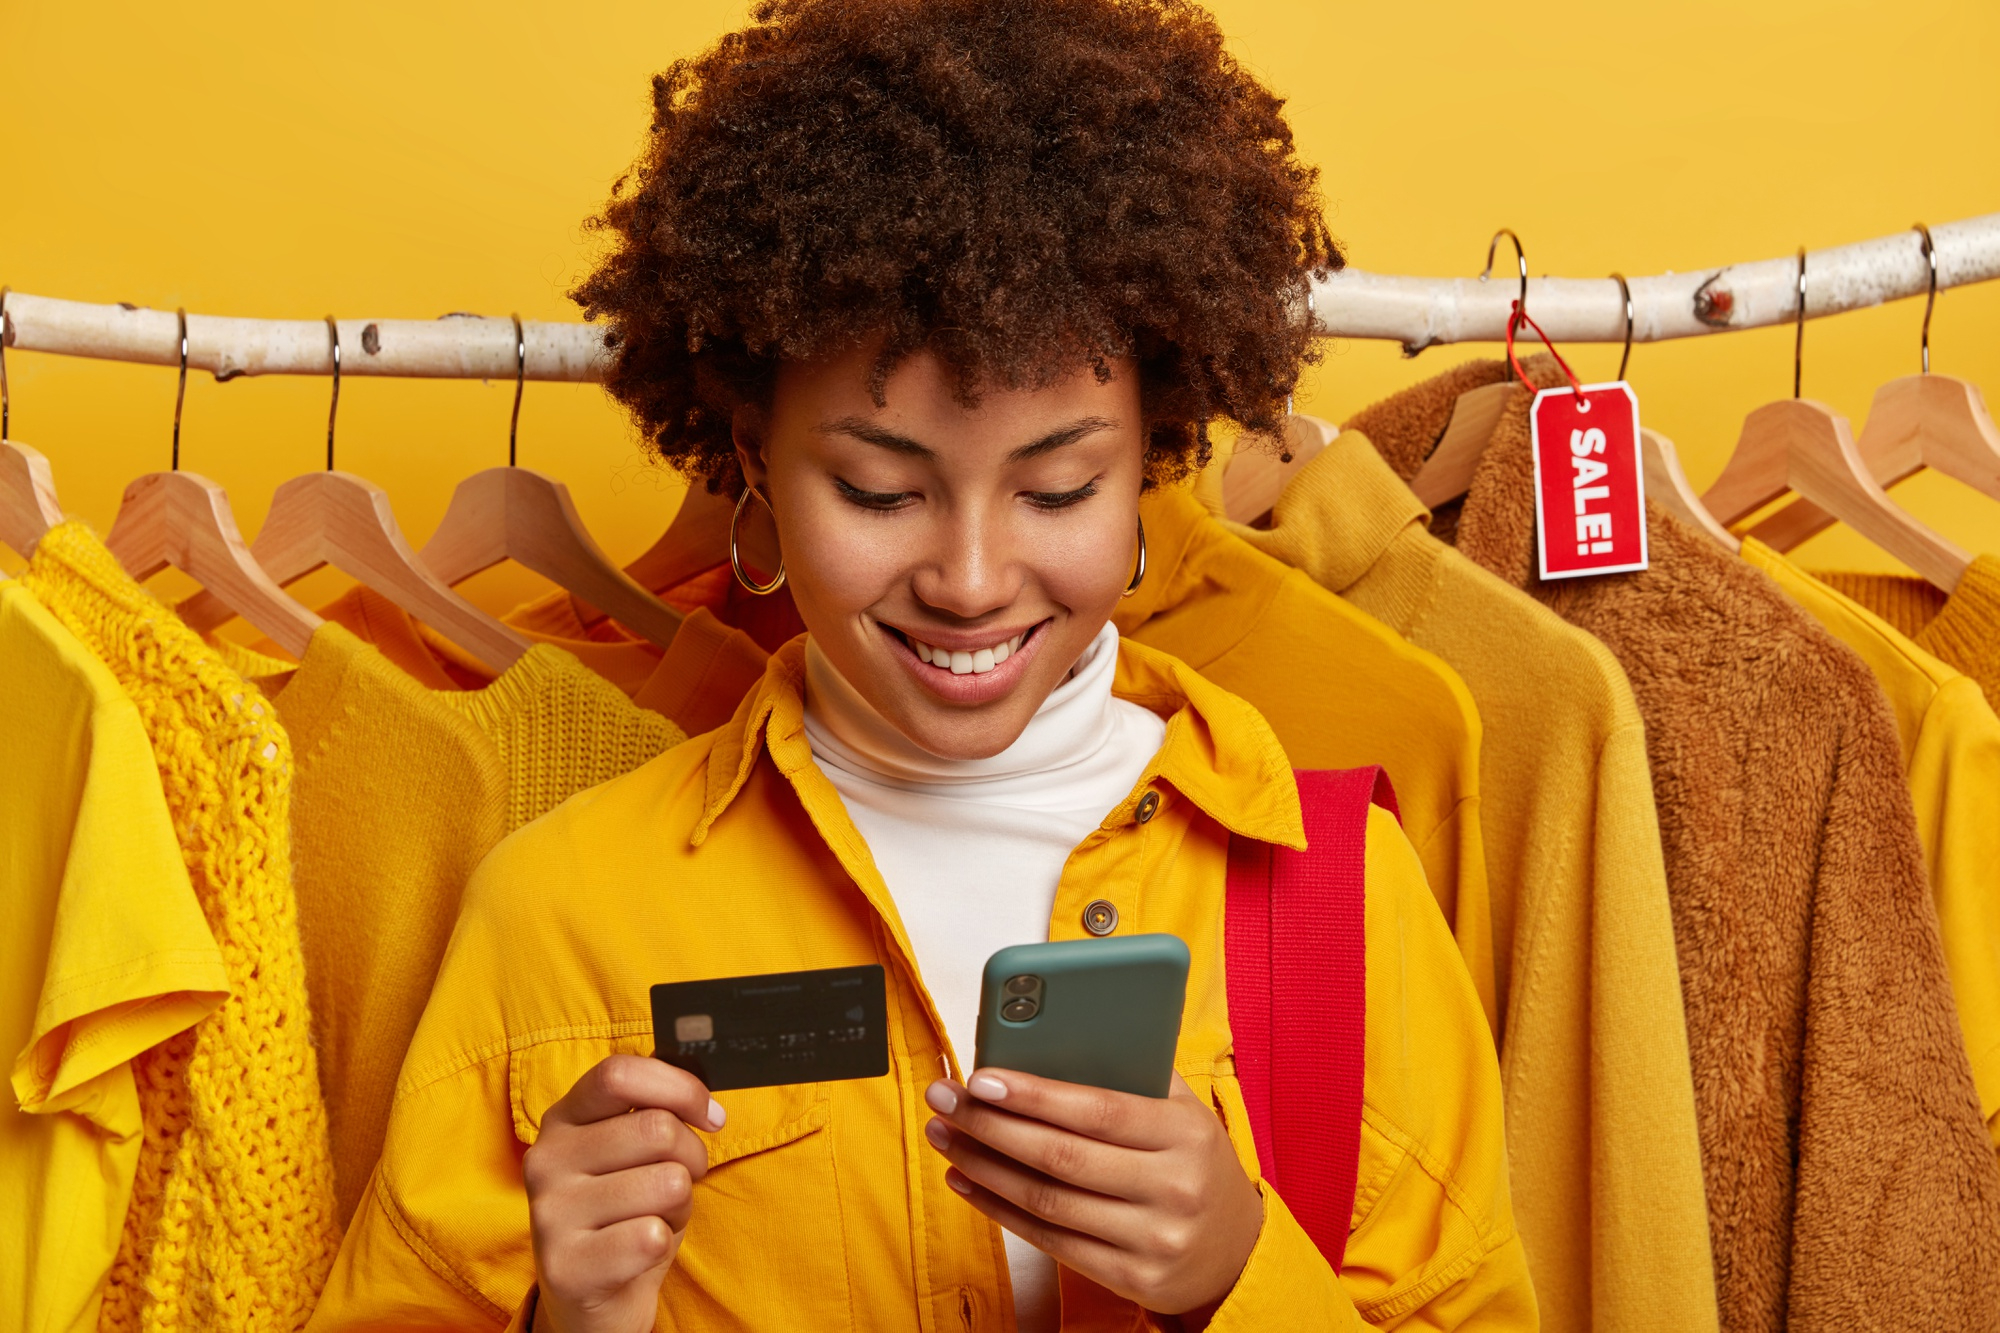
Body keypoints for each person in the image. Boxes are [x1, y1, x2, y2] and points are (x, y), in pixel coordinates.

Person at [306, 0, 1533, 1328]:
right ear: (755, 461)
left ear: (1152, 463)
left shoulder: (1340, 896)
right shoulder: (561, 915)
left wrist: (1236, 1275)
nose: (969, 578)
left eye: (1057, 489)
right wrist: (576, 1322)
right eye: (880, 491)